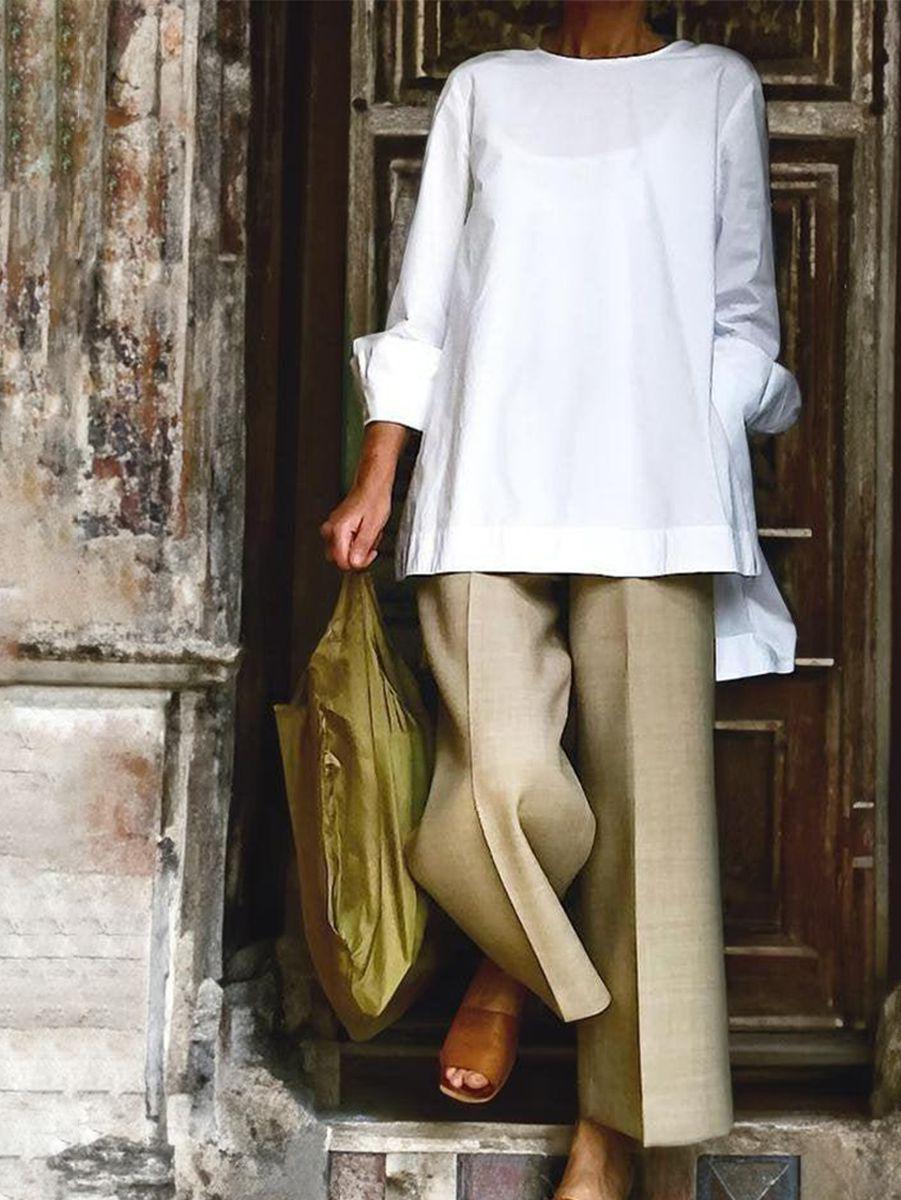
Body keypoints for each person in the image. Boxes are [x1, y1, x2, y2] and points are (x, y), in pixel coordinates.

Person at [321, 2, 802, 1195]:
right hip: (487, 478)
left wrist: (696, 426)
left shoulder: (715, 86)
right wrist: (381, 470)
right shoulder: (484, 87)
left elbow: (744, 314)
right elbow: (427, 301)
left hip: (656, 491)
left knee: (654, 829)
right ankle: (527, 971)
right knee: (498, 782)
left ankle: (611, 1134)